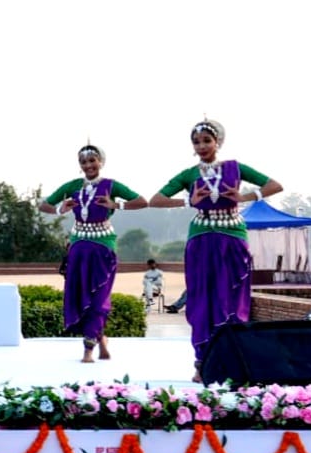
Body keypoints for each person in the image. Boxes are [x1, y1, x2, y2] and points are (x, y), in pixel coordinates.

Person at [148, 119, 283, 380]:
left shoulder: (235, 168)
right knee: (202, 300)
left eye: (206, 141)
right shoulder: (189, 174)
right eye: (196, 142)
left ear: (218, 142)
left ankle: (231, 360)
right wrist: (188, 200)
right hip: (201, 238)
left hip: (232, 235)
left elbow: (275, 185)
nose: (201, 146)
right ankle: (201, 364)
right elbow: (156, 200)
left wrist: (244, 197)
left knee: (231, 298)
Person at [38, 144, 147, 362]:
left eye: (92, 161)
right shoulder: (73, 186)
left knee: (98, 297)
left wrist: (115, 205)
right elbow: (43, 205)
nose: (88, 165)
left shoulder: (111, 185)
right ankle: (101, 340)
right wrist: (60, 209)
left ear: (101, 162)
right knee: (81, 297)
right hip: (79, 245)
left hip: (103, 246)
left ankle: (88, 349)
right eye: (83, 162)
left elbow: (142, 201)